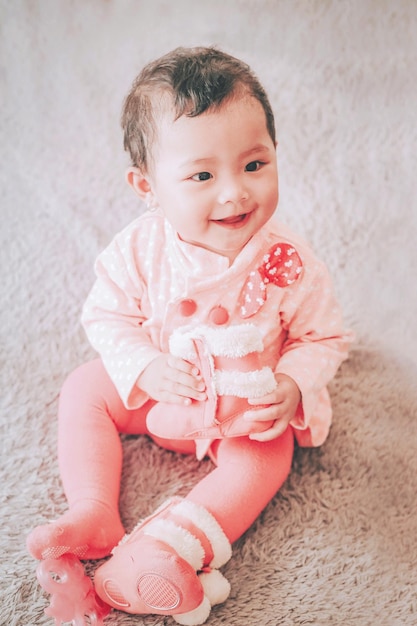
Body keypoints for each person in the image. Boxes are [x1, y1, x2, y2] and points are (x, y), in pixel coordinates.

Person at [27, 46, 353, 624]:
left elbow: (324, 338)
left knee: (266, 458)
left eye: (254, 165)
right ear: (146, 186)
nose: (234, 192)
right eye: (201, 175)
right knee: (84, 388)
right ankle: (95, 509)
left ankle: (169, 545)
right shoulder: (138, 250)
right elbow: (106, 318)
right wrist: (144, 366)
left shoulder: (289, 261)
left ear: (276, 154)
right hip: (165, 392)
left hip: (240, 411)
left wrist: (292, 384)